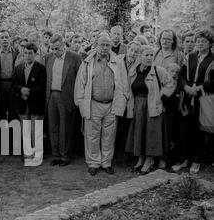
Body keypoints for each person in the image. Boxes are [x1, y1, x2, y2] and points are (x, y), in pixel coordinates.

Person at [74, 34, 128, 176]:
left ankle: (106, 162)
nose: (105, 48)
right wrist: (80, 102)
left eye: (107, 45)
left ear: (111, 46)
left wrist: (123, 99)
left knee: (109, 135)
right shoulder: (88, 62)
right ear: (96, 45)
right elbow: (81, 83)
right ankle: (93, 162)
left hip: (111, 104)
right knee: (92, 135)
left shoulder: (117, 61)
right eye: (102, 45)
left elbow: (123, 82)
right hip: (93, 103)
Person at [125, 45, 174, 174]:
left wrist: (160, 94)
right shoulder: (134, 70)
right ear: (140, 56)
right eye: (146, 55)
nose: (149, 57)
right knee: (139, 132)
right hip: (138, 105)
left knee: (151, 133)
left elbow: (170, 83)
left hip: (152, 105)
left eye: (151, 55)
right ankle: (140, 159)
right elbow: (129, 88)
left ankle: (150, 160)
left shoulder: (158, 70)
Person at [173, 29, 214, 173]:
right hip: (186, 99)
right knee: (184, 130)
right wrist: (186, 87)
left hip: (203, 100)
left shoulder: (213, 59)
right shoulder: (190, 57)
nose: (200, 43)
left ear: (210, 43)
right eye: (198, 41)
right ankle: (184, 159)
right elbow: (181, 76)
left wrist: (200, 87)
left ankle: (196, 160)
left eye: (204, 41)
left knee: (199, 132)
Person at [43, 34, 82, 167]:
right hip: (51, 96)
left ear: (64, 45)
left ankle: (65, 156)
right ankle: (55, 156)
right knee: (53, 127)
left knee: (65, 128)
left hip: (67, 96)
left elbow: (81, 79)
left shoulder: (75, 58)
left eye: (57, 48)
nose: (55, 52)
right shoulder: (48, 58)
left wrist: (77, 98)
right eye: (52, 49)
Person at [12, 43, 46, 166]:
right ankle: (27, 154)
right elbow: (14, 84)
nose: (27, 55)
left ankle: (37, 155)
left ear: (35, 54)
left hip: (35, 103)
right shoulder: (18, 68)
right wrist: (21, 90)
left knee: (35, 130)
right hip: (22, 103)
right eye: (25, 53)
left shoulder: (41, 68)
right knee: (25, 129)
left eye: (30, 53)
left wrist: (29, 92)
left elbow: (42, 86)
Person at [0, 30, 19, 122]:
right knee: (1, 111)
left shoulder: (16, 52)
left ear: (10, 38)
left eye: (6, 37)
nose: (4, 39)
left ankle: (13, 134)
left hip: (13, 85)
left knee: (13, 111)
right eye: (2, 37)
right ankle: (1, 134)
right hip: (1, 85)